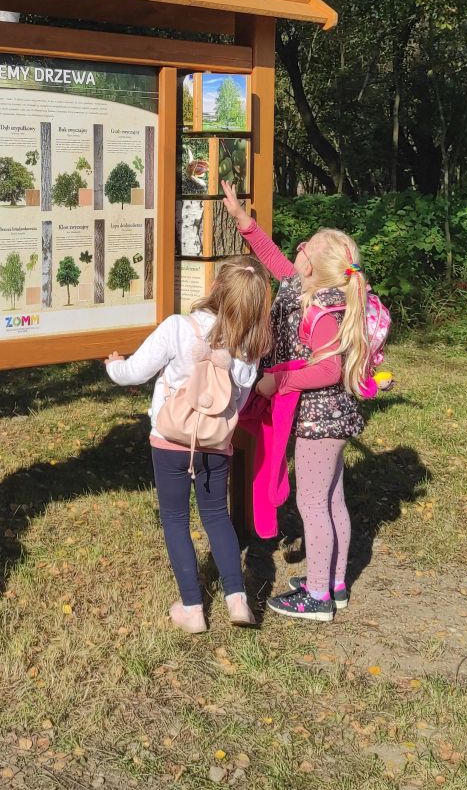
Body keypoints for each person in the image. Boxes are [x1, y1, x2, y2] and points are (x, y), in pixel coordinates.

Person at [221, 181, 370, 622]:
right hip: (331, 420)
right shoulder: (305, 289)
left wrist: (278, 380)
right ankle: (335, 583)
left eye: (304, 246)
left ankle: (318, 596)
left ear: (311, 265)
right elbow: (272, 258)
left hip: (319, 424)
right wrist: (242, 220)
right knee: (333, 499)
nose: (297, 249)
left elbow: (328, 370)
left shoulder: (320, 310)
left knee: (312, 505)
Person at [105, 255, 272, 633]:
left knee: (175, 519)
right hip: (216, 442)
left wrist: (113, 366)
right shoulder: (249, 346)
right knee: (216, 516)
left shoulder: (179, 327)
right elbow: (240, 401)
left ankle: (192, 608)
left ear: (214, 287)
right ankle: (237, 600)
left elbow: (134, 372)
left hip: (170, 439)